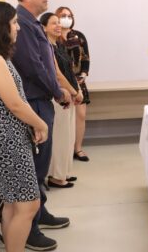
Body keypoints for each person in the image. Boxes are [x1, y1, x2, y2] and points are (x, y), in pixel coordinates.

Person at [0, 1, 49, 252]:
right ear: (0, 25)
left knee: (13, 204)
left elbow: (17, 101)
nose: (17, 27)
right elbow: (15, 104)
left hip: (9, 137)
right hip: (6, 140)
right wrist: (41, 123)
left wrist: (31, 125)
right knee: (28, 206)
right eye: (14, 22)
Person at [12, 0, 71, 251]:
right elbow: (34, 66)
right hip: (34, 101)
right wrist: (58, 91)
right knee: (34, 167)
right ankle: (30, 228)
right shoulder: (22, 23)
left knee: (42, 164)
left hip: (41, 99)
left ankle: (40, 212)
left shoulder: (31, 22)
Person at [40, 12, 83, 188]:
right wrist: (73, 92)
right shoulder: (45, 47)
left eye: (59, 22)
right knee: (60, 137)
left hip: (69, 94)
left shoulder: (58, 45)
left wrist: (77, 90)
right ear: (43, 27)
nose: (58, 25)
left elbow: (70, 71)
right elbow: (57, 75)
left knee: (68, 136)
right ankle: (56, 176)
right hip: (59, 96)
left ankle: (64, 172)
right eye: (53, 23)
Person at [55, 7, 91, 162]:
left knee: (80, 115)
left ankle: (78, 149)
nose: (67, 18)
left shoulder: (78, 36)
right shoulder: (54, 36)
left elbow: (85, 58)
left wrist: (83, 74)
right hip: (61, 82)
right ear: (57, 17)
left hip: (79, 81)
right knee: (63, 117)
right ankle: (65, 150)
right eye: (63, 15)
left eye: (69, 16)